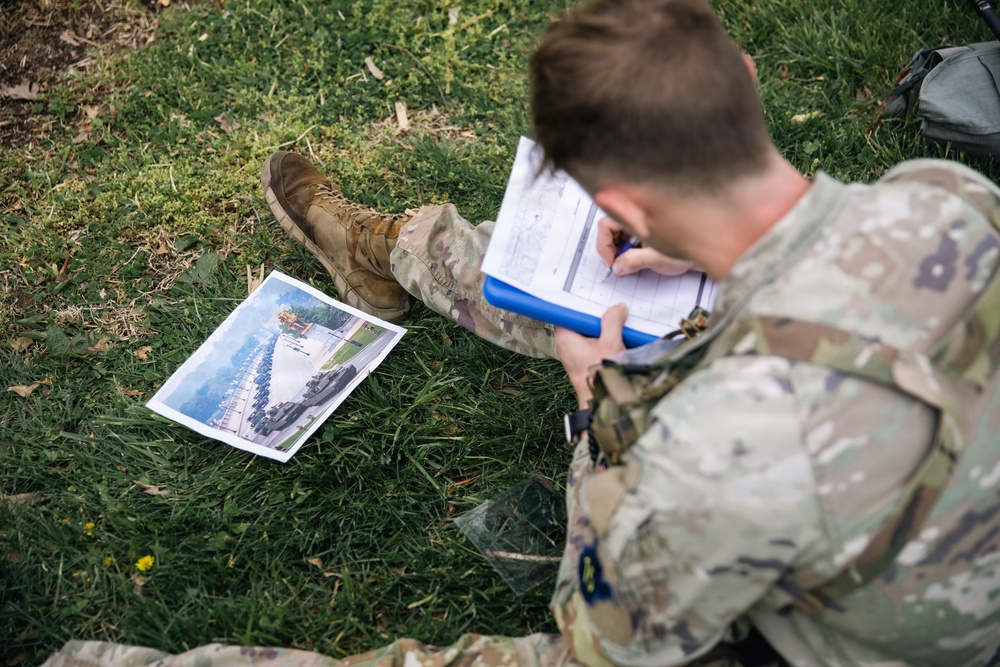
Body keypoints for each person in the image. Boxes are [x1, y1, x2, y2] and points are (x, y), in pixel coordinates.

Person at [44, 0, 1000, 666]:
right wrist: (690, 249)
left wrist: (603, 408)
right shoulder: (949, 197)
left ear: (619, 201)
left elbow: (609, 640)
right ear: (744, 80)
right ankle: (392, 252)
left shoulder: (706, 447)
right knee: (611, 292)